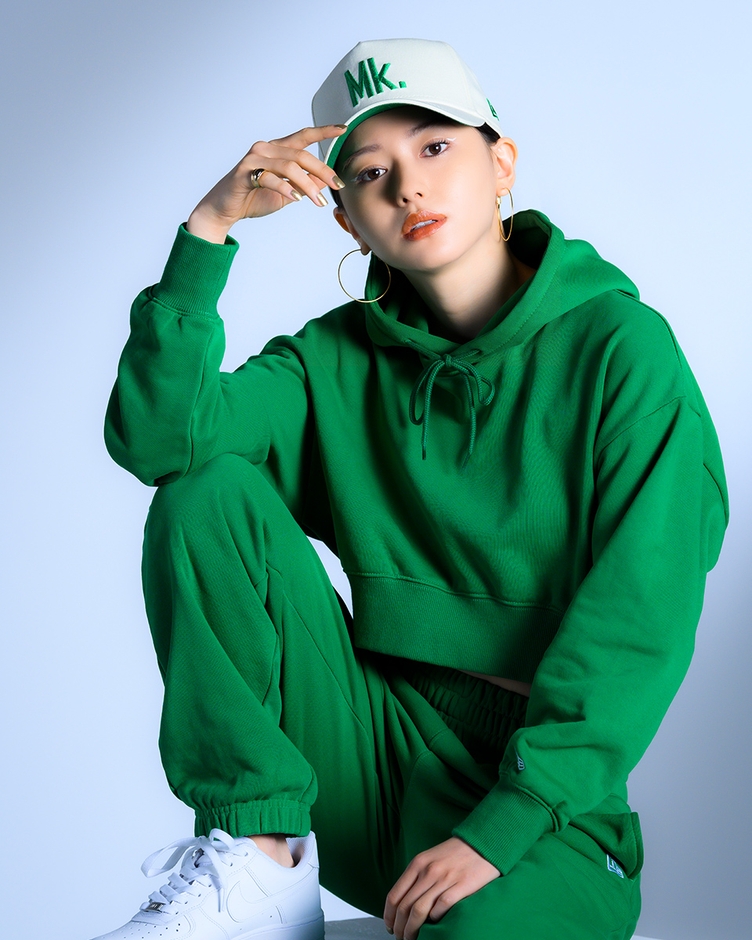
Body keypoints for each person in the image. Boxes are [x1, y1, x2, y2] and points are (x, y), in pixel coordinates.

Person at [95, 37, 729, 940]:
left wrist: (509, 820)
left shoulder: (622, 351)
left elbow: (643, 615)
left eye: (435, 146)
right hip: (365, 752)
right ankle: (263, 857)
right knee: (204, 494)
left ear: (502, 163)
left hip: (549, 797)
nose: (408, 188)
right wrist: (208, 229)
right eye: (369, 172)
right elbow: (163, 444)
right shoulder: (332, 360)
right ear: (347, 220)